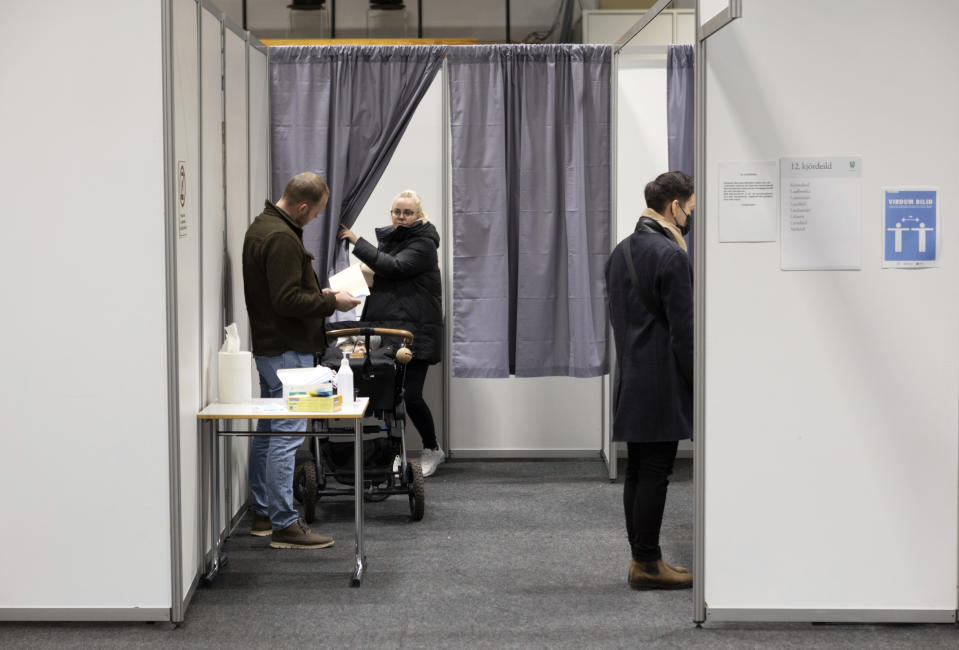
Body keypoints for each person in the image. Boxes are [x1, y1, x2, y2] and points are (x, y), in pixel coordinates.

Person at [242, 172, 361, 549]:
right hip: (287, 350)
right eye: (315, 214)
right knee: (287, 435)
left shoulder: (264, 226)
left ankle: (263, 512)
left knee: (268, 431)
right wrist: (332, 301)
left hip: (272, 347)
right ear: (303, 206)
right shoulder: (280, 238)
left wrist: (318, 292)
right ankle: (284, 524)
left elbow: (285, 293)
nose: (313, 221)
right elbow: (286, 301)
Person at [605, 171, 695, 590]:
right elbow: (685, 333)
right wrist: (700, 386)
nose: (691, 216)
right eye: (691, 208)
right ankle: (647, 565)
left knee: (638, 470)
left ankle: (643, 559)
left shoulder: (620, 252)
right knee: (655, 471)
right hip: (662, 381)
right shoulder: (672, 256)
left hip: (631, 377)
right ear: (674, 206)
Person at [337, 190, 445, 477]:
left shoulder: (423, 244)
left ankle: (432, 448)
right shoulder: (394, 241)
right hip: (392, 332)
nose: (400, 216)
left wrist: (356, 241)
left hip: (415, 334)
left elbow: (394, 268)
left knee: (410, 395)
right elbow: (383, 274)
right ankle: (392, 454)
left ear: (419, 216)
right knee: (389, 397)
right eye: (396, 211)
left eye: (407, 212)